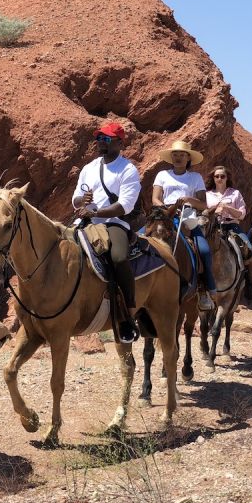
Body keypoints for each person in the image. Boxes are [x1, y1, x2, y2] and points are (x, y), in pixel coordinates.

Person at [72, 122, 142, 343]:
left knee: (118, 257)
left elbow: (125, 206)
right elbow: (75, 198)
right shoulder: (89, 168)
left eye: (107, 139)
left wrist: (96, 212)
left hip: (114, 223)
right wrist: (82, 201)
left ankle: (128, 314)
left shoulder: (128, 169)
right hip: (84, 221)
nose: (101, 143)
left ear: (120, 143)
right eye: (99, 139)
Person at [152, 140, 216, 310]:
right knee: (142, 239)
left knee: (204, 250)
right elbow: (155, 198)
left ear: (188, 158)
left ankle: (204, 289)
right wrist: (168, 209)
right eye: (175, 155)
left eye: (182, 155)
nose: (178, 158)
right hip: (165, 213)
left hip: (187, 215)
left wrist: (188, 200)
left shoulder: (195, 177)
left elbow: (203, 204)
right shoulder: (162, 175)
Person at [205, 165, 252, 250]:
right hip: (212, 227)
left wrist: (227, 208)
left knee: (249, 249)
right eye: (217, 176)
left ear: (227, 178)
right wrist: (215, 210)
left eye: (222, 176)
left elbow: (242, 215)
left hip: (232, 226)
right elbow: (203, 213)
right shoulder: (207, 195)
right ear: (213, 178)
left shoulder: (235, 193)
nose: (219, 178)